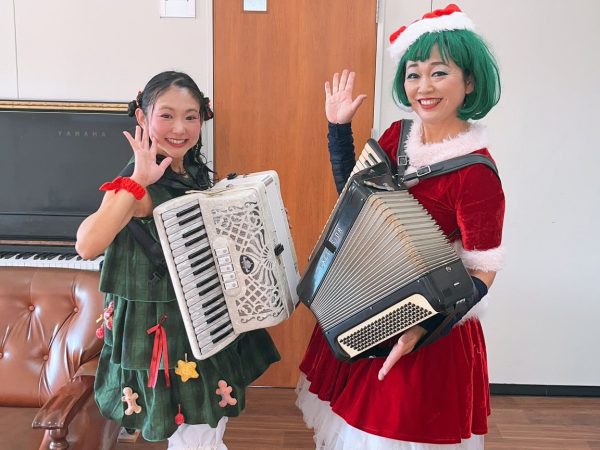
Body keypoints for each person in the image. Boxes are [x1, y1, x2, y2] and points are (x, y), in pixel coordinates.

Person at [296, 4, 505, 449]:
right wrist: (338, 129)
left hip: (433, 327)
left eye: (439, 73)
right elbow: (356, 200)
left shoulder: (477, 174)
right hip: (370, 304)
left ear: (469, 82)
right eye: (414, 74)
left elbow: (483, 270)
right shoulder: (397, 135)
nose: (423, 87)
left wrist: (423, 327)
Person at [76, 71, 280, 449]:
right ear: (142, 117)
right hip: (168, 330)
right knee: (199, 437)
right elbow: (87, 244)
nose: (180, 128)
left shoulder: (190, 171)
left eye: (191, 116)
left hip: (202, 316)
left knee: (203, 433)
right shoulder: (137, 185)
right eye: (166, 115)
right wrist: (138, 180)